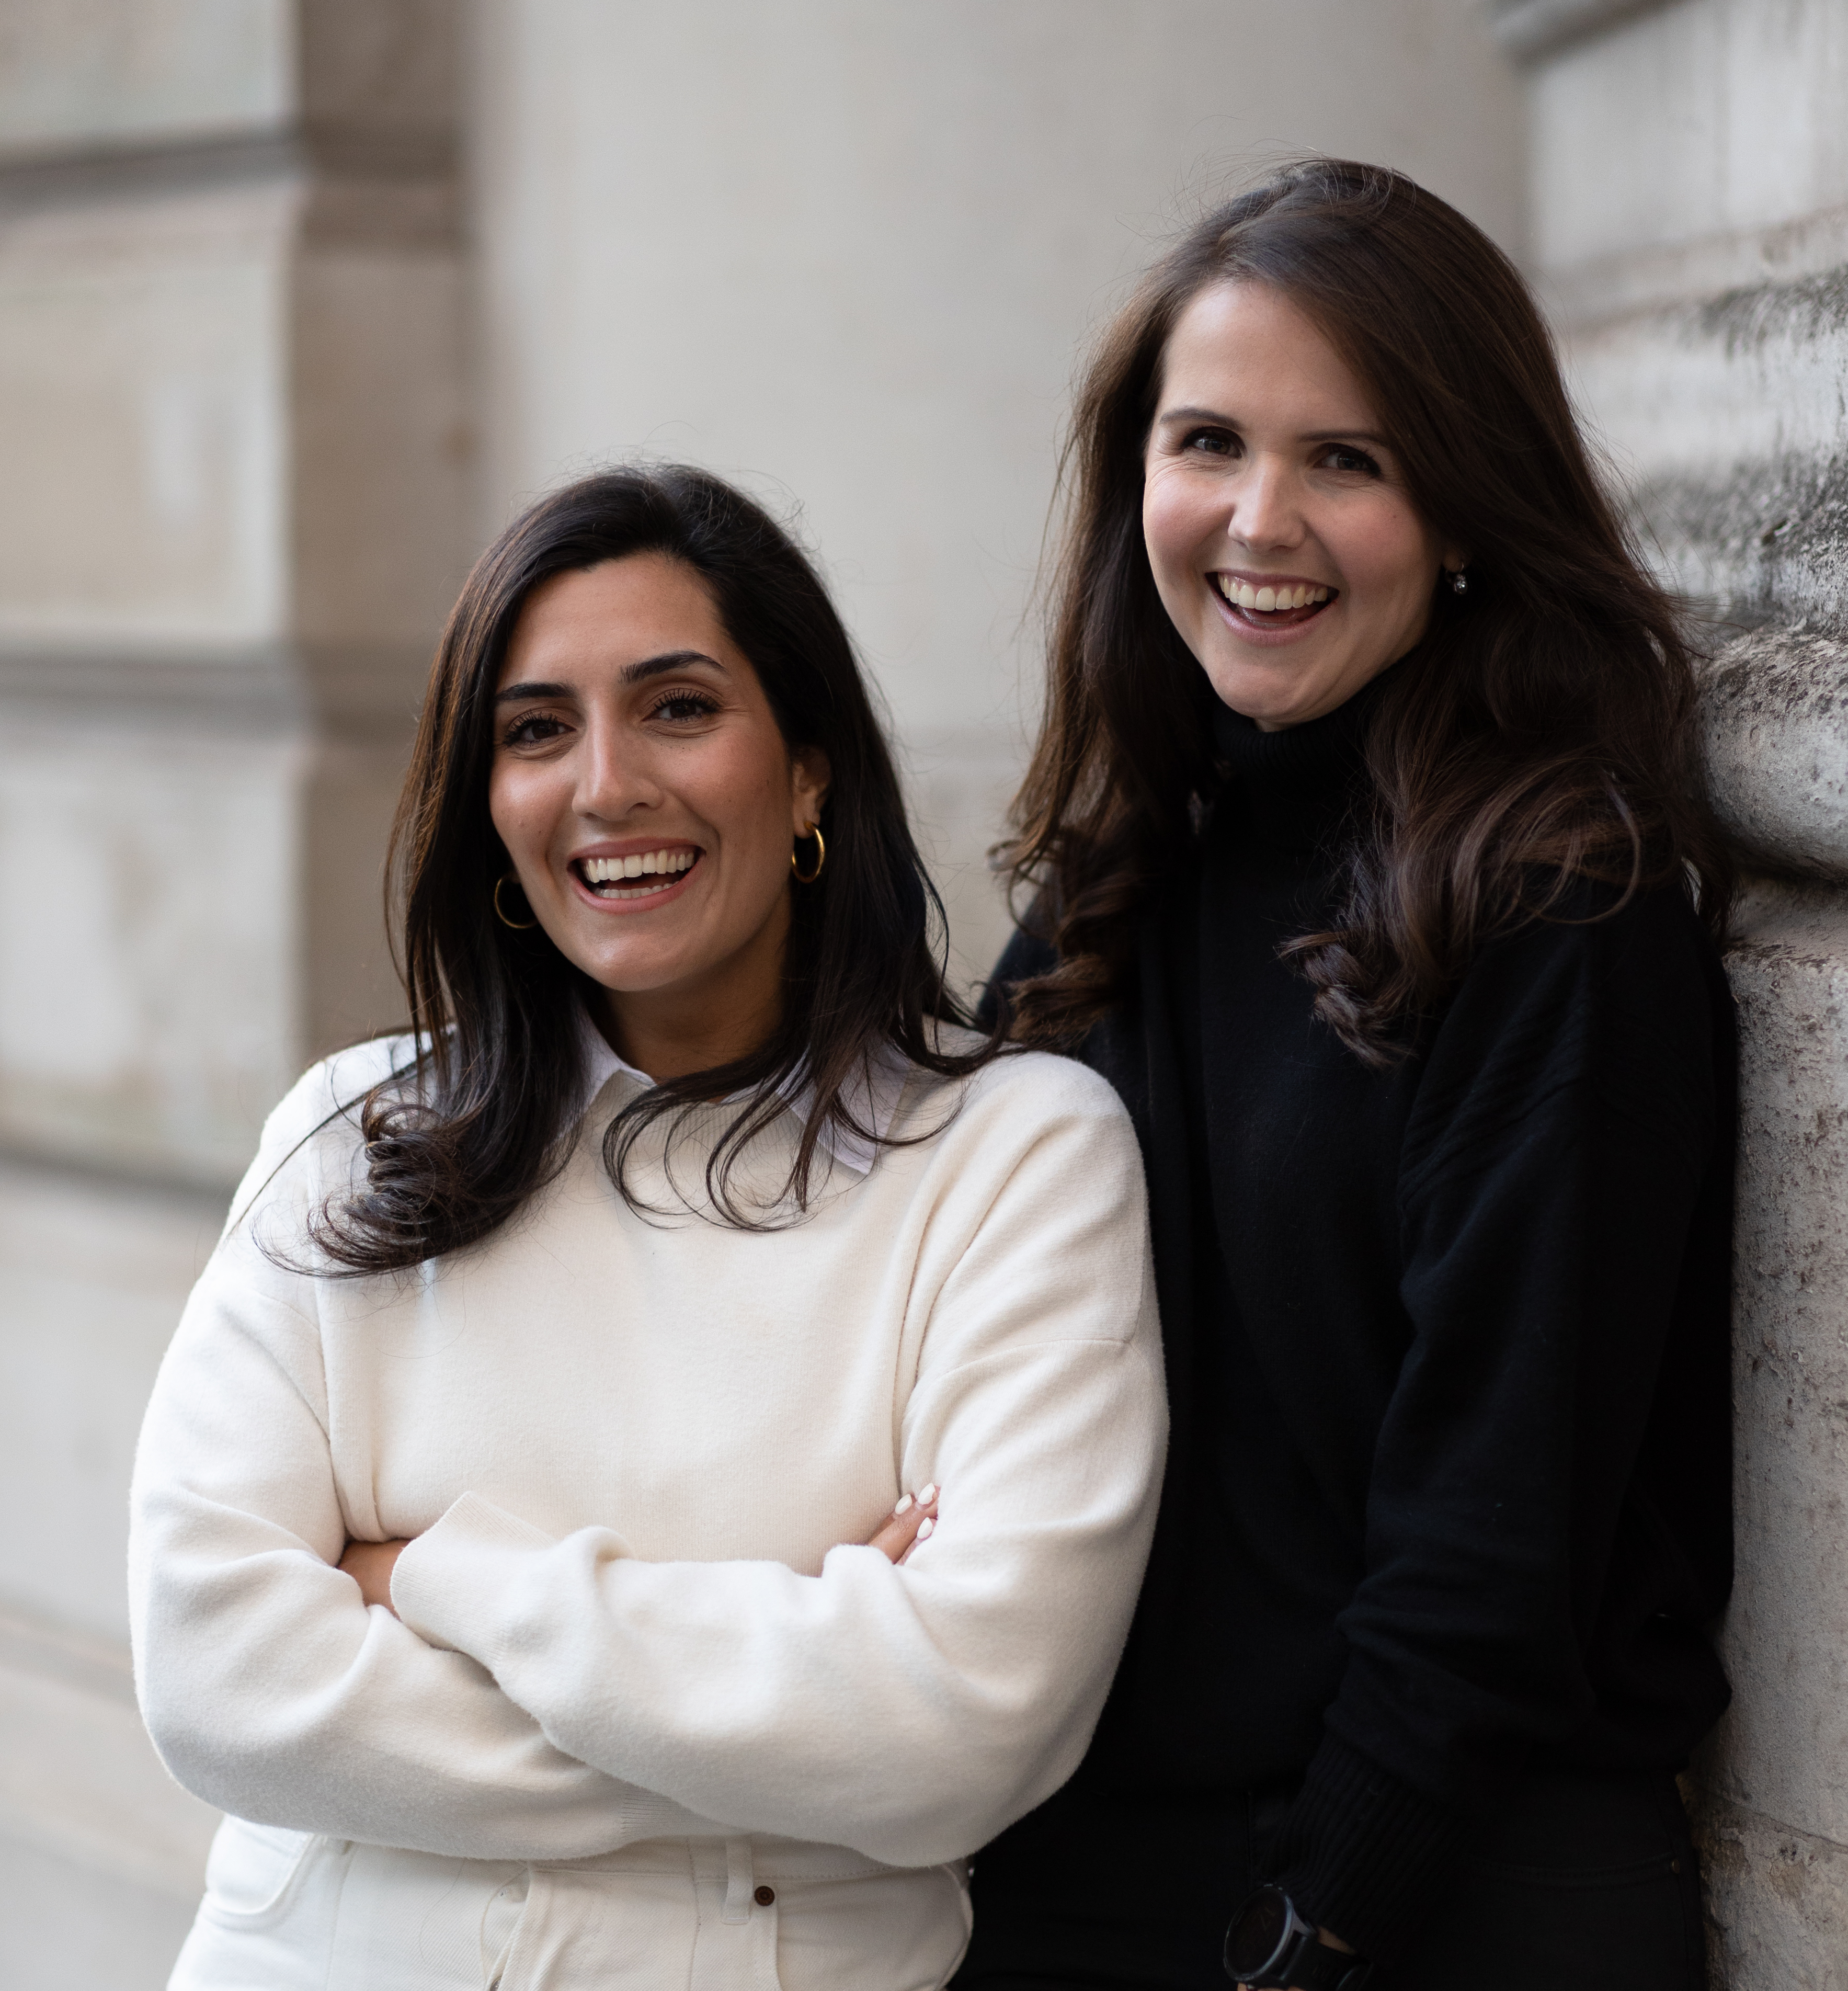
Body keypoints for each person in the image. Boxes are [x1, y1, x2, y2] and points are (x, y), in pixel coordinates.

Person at [129, 465, 1167, 1991]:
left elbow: (964, 1726)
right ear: (488, 803)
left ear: (809, 770)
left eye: (678, 707)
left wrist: (431, 1579)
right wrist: (789, 1716)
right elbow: (213, 1673)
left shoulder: (1012, 1159)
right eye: (537, 729)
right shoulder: (348, 1142)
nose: (606, 784)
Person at [954, 160, 1735, 1991]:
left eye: (1349, 461)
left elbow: (1496, 1527)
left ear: (1465, 505)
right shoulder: (1124, 882)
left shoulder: (1564, 908)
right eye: (1209, 442)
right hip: (1095, 1873)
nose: (1258, 521)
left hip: (1426, 1904)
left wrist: (1312, 1929)